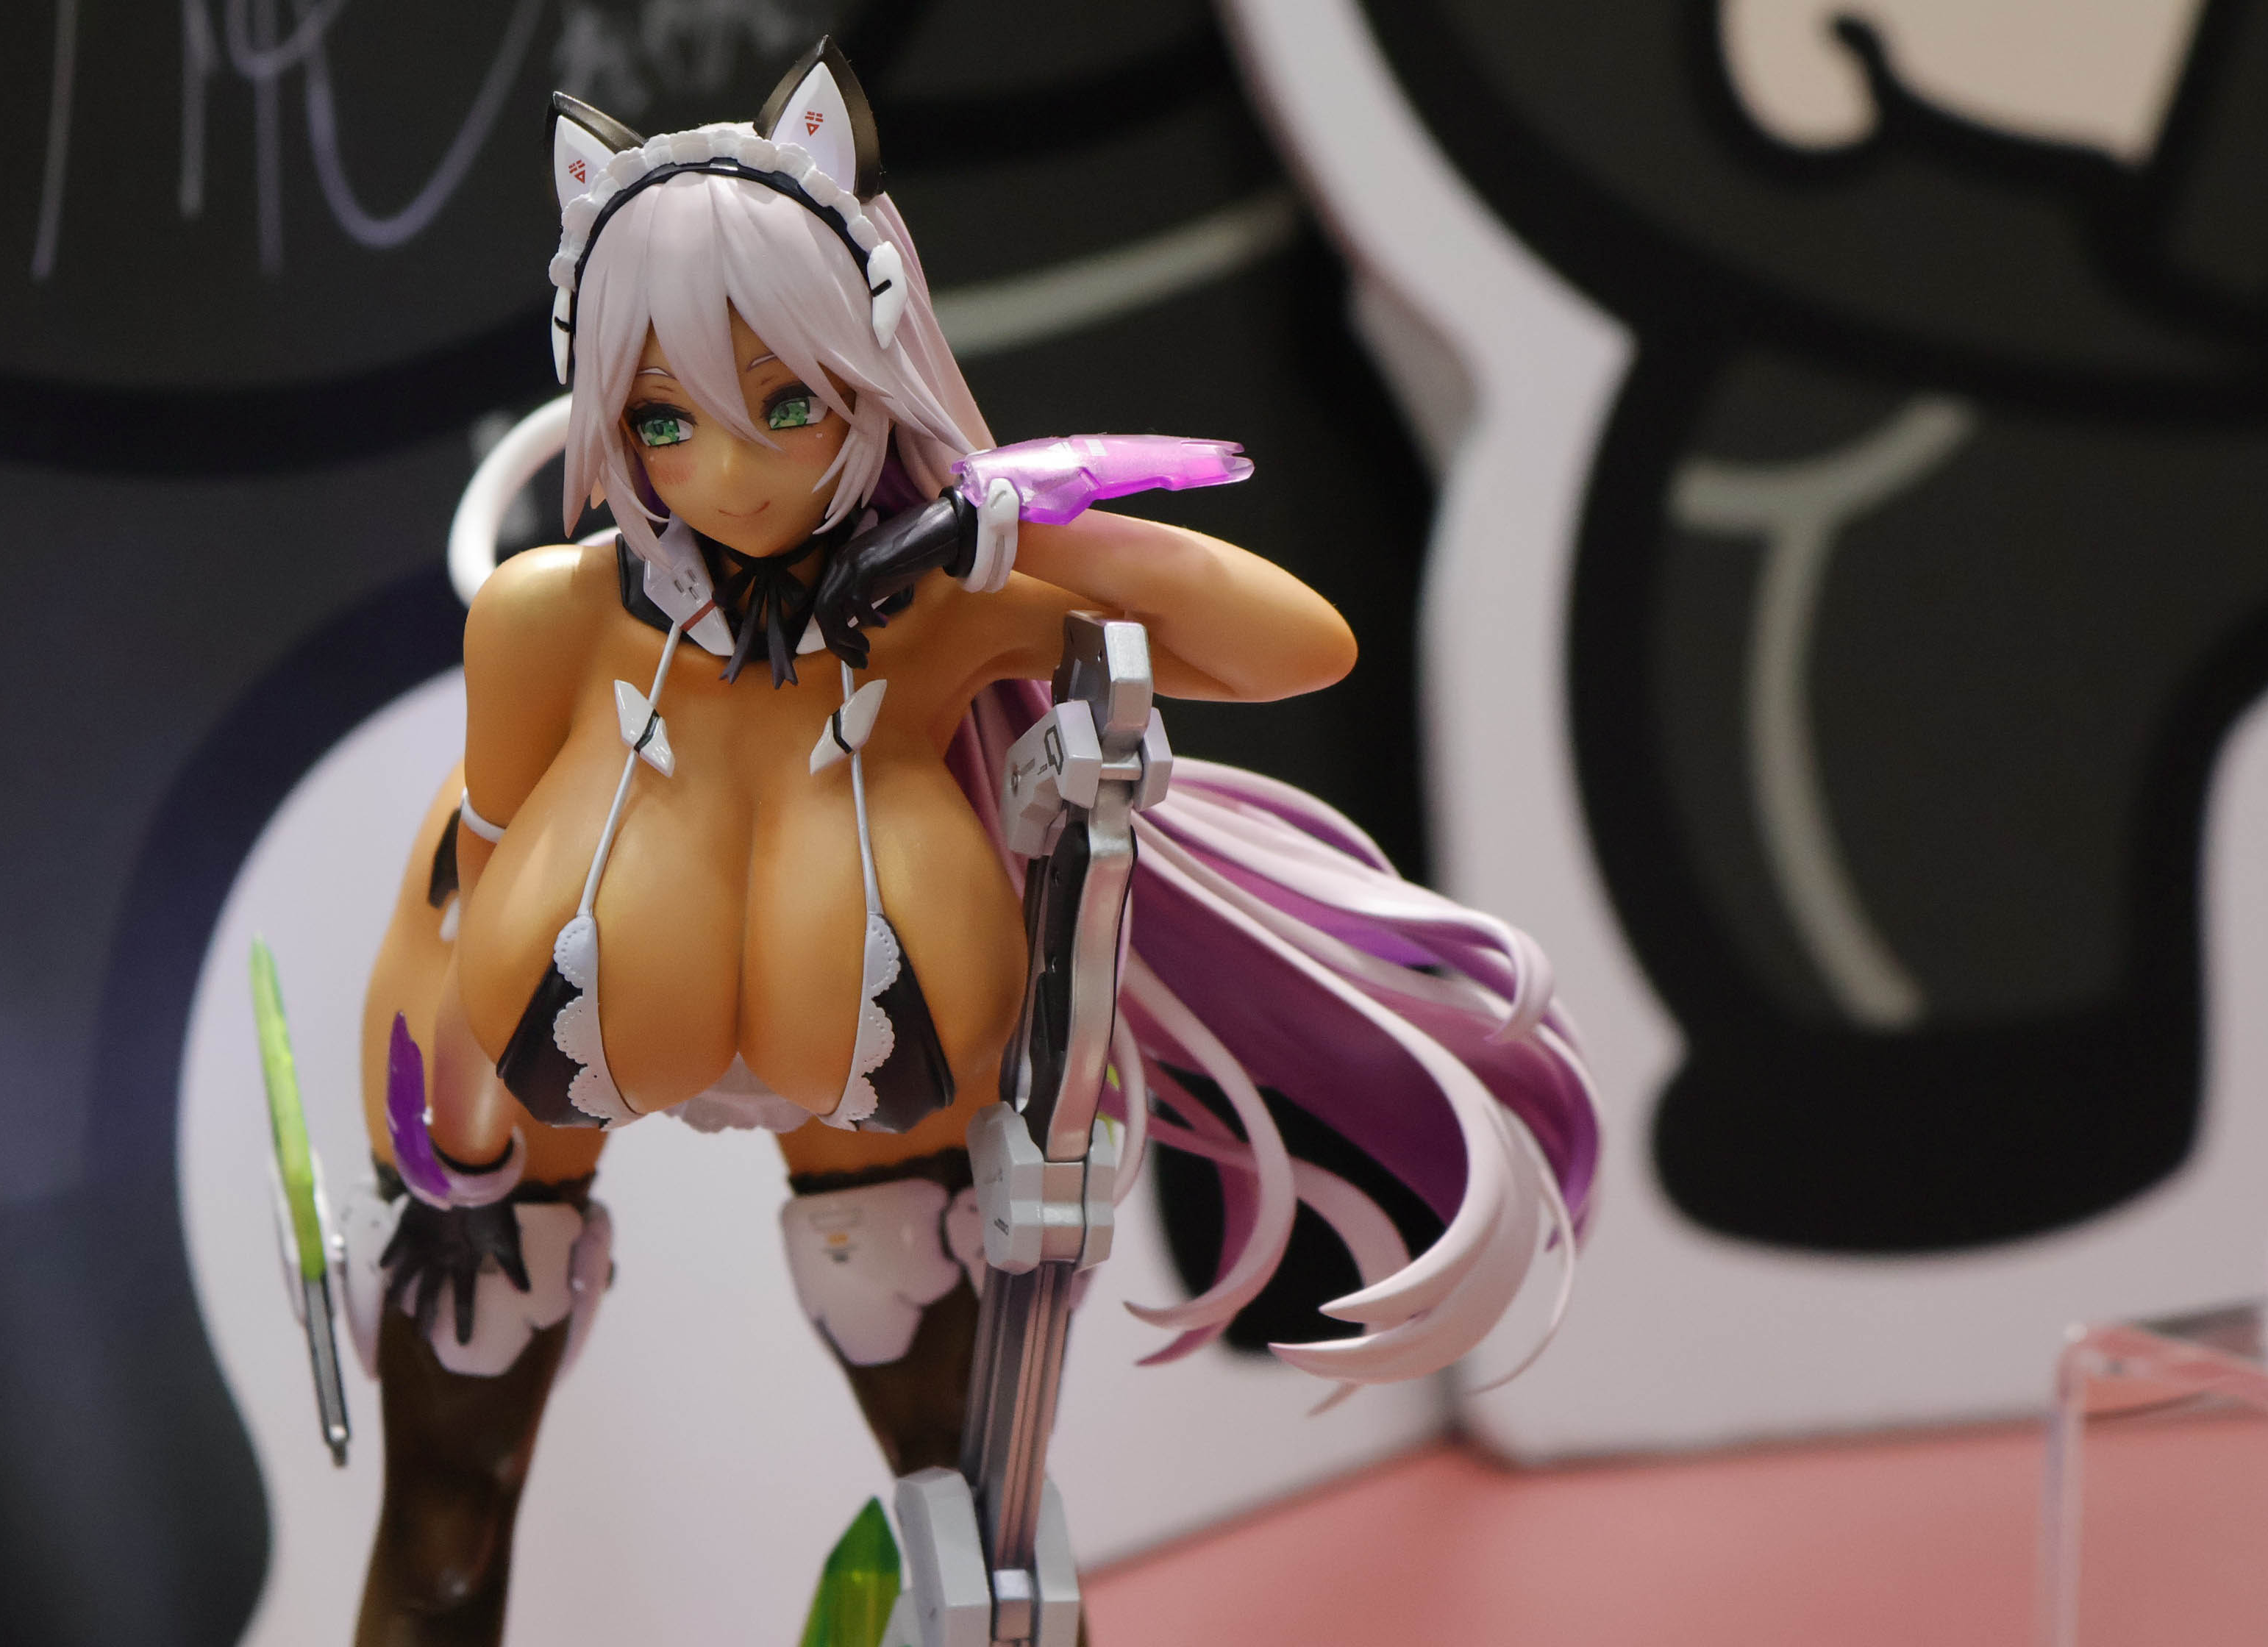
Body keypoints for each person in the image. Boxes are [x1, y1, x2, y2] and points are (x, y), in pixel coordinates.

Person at [348, 41, 1599, 1646]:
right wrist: (449, 1161)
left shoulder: (937, 613)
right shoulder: (552, 620)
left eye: (786, 403)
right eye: (665, 419)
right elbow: (472, 879)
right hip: (521, 1107)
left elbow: (1303, 644)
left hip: (870, 1115)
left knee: (974, 1515)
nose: (730, 472)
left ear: (868, 371)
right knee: (449, 1499)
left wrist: (1024, 517)